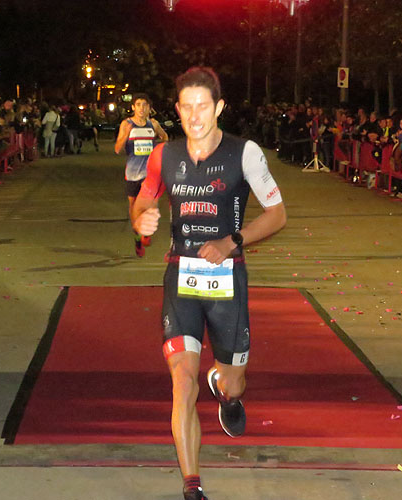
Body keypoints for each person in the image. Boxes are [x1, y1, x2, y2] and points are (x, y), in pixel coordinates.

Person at [131, 67, 286, 500]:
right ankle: (192, 485)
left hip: (227, 279)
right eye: (187, 107)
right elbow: (143, 201)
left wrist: (231, 241)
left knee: (234, 383)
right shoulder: (163, 155)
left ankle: (228, 393)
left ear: (219, 108)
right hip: (180, 277)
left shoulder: (245, 153)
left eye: (203, 106)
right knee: (183, 382)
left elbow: (277, 215)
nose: (195, 116)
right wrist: (140, 221)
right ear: (177, 109)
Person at [114, 93, 168, 257]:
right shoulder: (127, 124)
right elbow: (117, 149)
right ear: (133, 107)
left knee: (150, 205)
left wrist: (158, 149)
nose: (142, 108)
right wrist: (126, 134)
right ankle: (138, 237)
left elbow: (165, 137)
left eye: (145, 105)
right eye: (138, 105)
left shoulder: (153, 124)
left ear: (149, 108)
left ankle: (146, 233)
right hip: (132, 173)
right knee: (134, 208)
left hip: (149, 174)